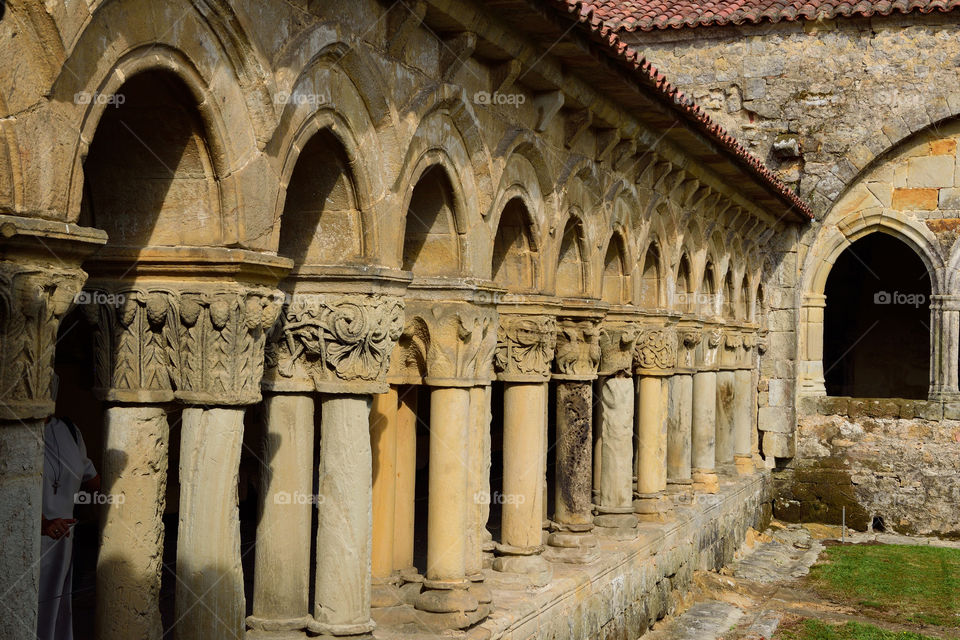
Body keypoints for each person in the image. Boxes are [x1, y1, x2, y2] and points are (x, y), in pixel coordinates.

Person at [38, 401, 100, 640]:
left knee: (58, 610)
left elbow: (91, 479)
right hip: (31, 541)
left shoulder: (69, 430)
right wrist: (43, 524)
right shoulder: (14, 429)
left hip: (64, 541)